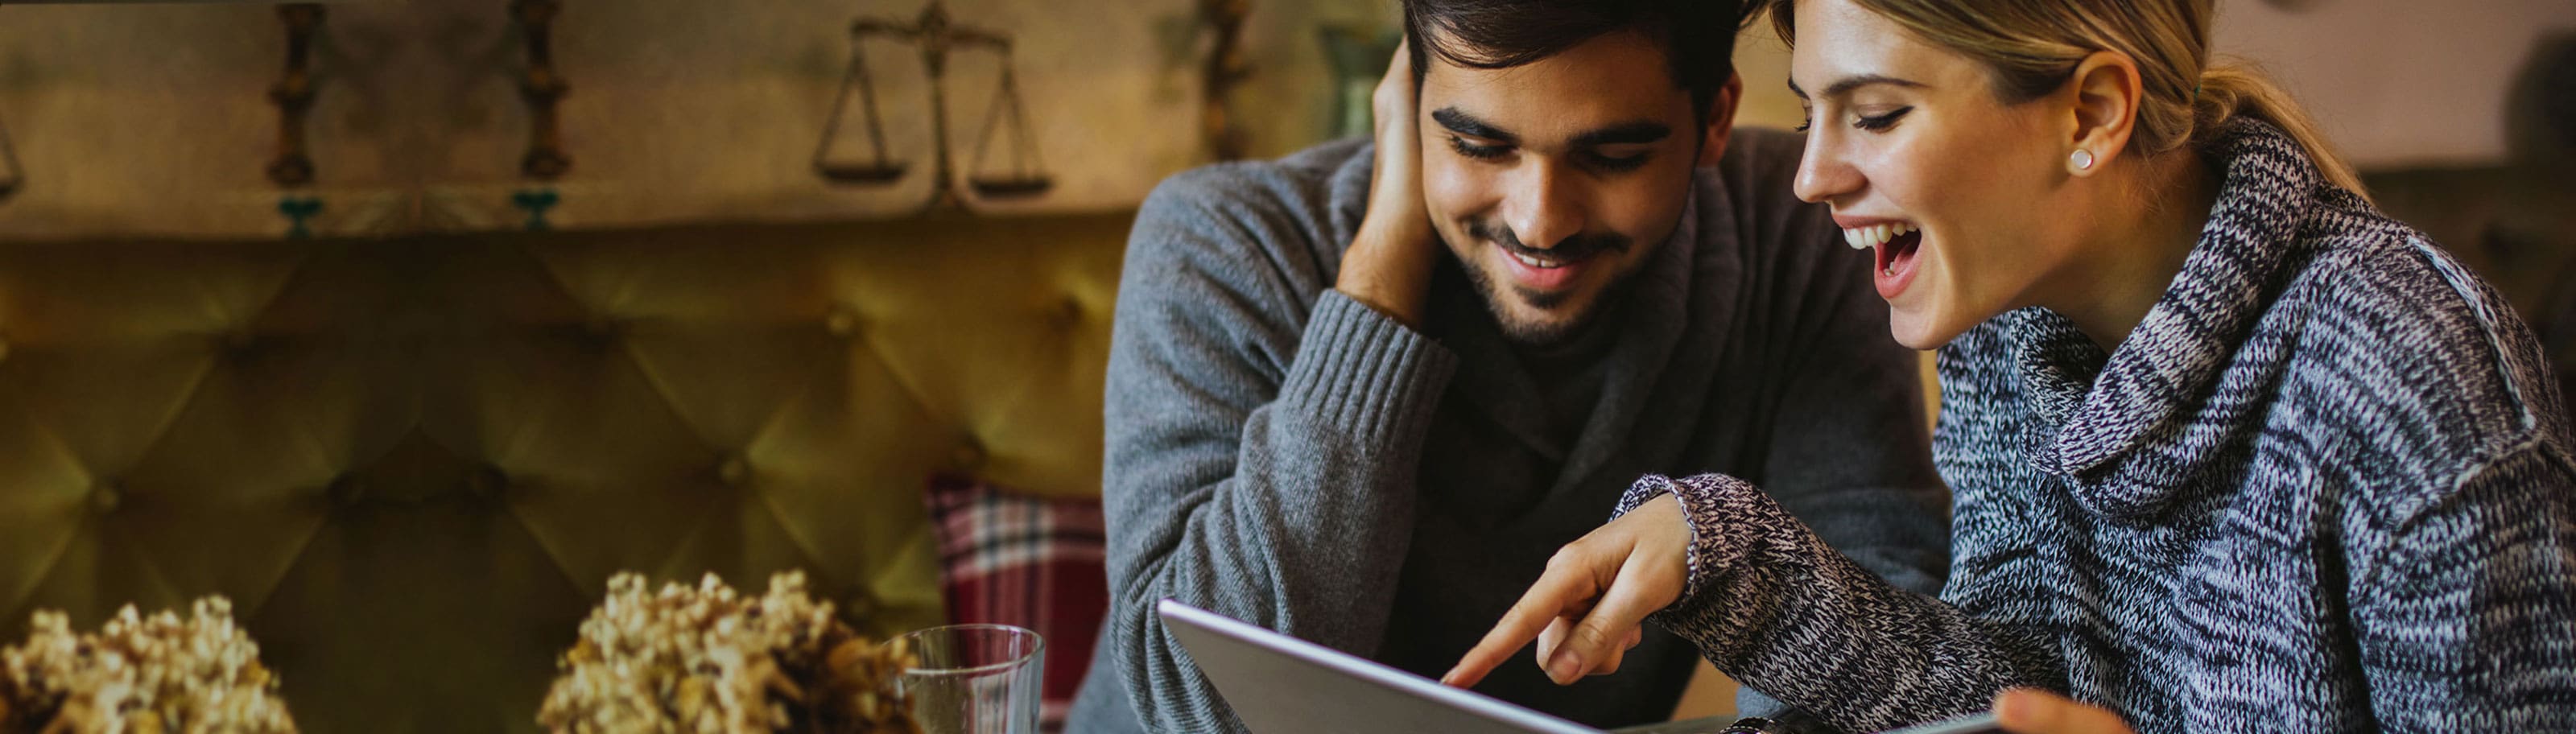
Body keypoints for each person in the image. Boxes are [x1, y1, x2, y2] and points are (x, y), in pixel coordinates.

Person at [1444, 0, 2576, 732]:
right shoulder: (2009, 323)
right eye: (1814, 115)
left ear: (2089, 111)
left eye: (1877, 115)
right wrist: (1726, 554)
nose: (1812, 178)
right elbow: (2014, 694)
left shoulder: (2410, 373)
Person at [1063, 0, 1957, 731]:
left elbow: (1870, 636)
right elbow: (1199, 709)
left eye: (1610, 156)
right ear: (1408, 110)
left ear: (1714, 116)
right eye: (1477, 146)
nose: (1539, 222)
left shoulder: (1792, 237)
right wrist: (1382, 268)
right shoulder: (1221, 243)